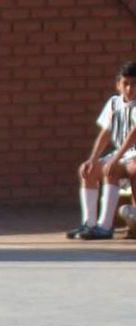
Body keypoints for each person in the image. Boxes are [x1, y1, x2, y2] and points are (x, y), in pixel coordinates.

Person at [70, 61, 136, 240]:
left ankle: (105, 227)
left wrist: (114, 160)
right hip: (121, 154)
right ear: (118, 85)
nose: (130, 88)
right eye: (126, 83)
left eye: (134, 84)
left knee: (112, 169)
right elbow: (105, 134)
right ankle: (89, 224)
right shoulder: (113, 104)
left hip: (132, 154)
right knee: (87, 171)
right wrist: (92, 159)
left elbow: (132, 136)